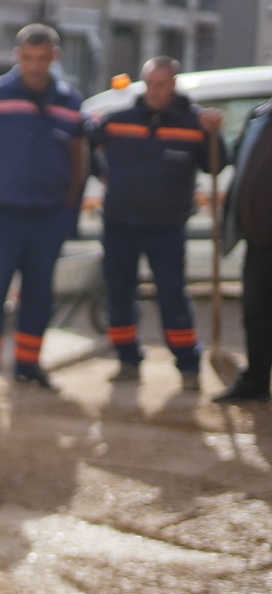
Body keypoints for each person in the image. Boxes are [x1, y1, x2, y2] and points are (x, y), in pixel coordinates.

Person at [0, 23, 90, 390]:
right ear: (18, 56)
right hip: (2, 213)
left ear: (54, 57)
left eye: (42, 58)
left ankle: (28, 365)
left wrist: (68, 205)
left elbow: (79, 155)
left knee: (39, 294)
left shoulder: (70, 101)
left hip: (48, 216)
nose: (34, 65)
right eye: (28, 58)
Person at [86, 56, 226, 391]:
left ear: (174, 85)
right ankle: (127, 359)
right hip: (120, 223)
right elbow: (84, 145)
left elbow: (215, 166)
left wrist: (214, 135)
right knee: (119, 295)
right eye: (150, 83)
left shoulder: (194, 124)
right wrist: (103, 174)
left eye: (161, 84)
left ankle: (188, 364)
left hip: (167, 227)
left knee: (172, 295)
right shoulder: (118, 120)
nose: (155, 91)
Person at [215, 94, 272, 403]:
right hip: (259, 240)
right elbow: (233, 160)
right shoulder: (259, 116)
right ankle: (256, 381)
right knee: (256, 312)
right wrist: (214, 134)